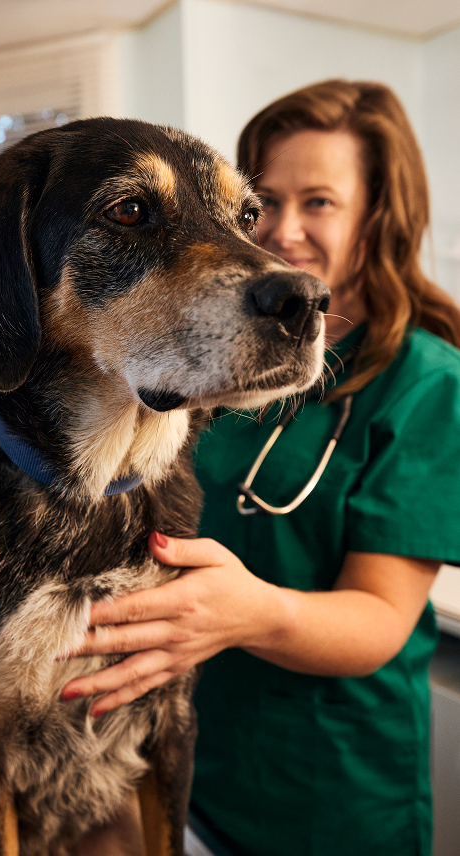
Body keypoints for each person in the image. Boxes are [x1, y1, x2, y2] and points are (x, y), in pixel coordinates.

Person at [62, 80, 460, 855]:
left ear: (378, 215)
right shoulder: (208, 349)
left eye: (318, 202)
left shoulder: (426, 384)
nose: (282, 231)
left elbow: (380, 620)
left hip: (323, 793)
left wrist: (250, 613)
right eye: (260, 204)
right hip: (177, 764)